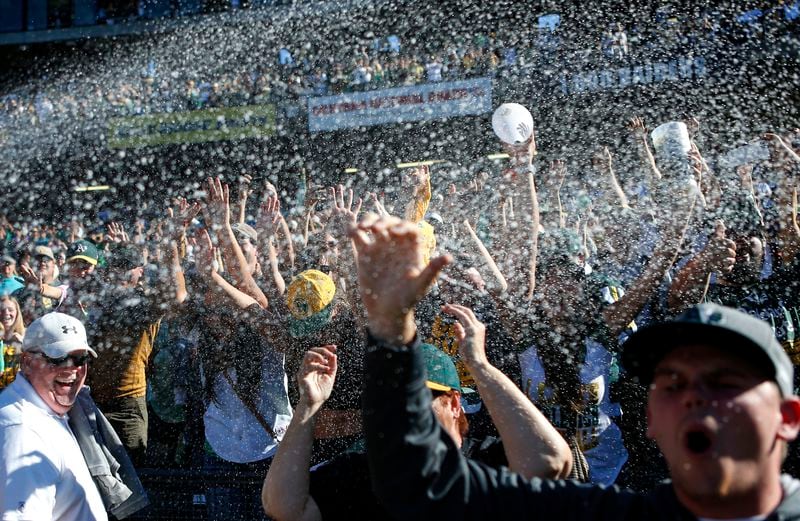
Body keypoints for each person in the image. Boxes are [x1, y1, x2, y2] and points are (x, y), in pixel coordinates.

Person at [354, 214, 800, 520]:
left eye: (725, 381)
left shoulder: (599, 336)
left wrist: (677, 239)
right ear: (650, 420)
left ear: (787, 417)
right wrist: (390, 331)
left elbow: (647, 284)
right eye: (672, 382)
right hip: (584, 482)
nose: (694, 397)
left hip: (615, 468)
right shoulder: (605, 513)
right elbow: (420, 489)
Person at [262, 303, 572, 521]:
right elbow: (285, 508)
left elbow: (552, 461)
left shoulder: (488, 462)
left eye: (415, 400)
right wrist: (309, 406)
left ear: (453, 403)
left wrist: (480, 367)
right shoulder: (364, 471)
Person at [0, 312, 106, 520]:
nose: (73, 368)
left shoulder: (48, 410)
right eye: (58, 358)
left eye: (80, 358)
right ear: (27, 362)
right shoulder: (22, 431)